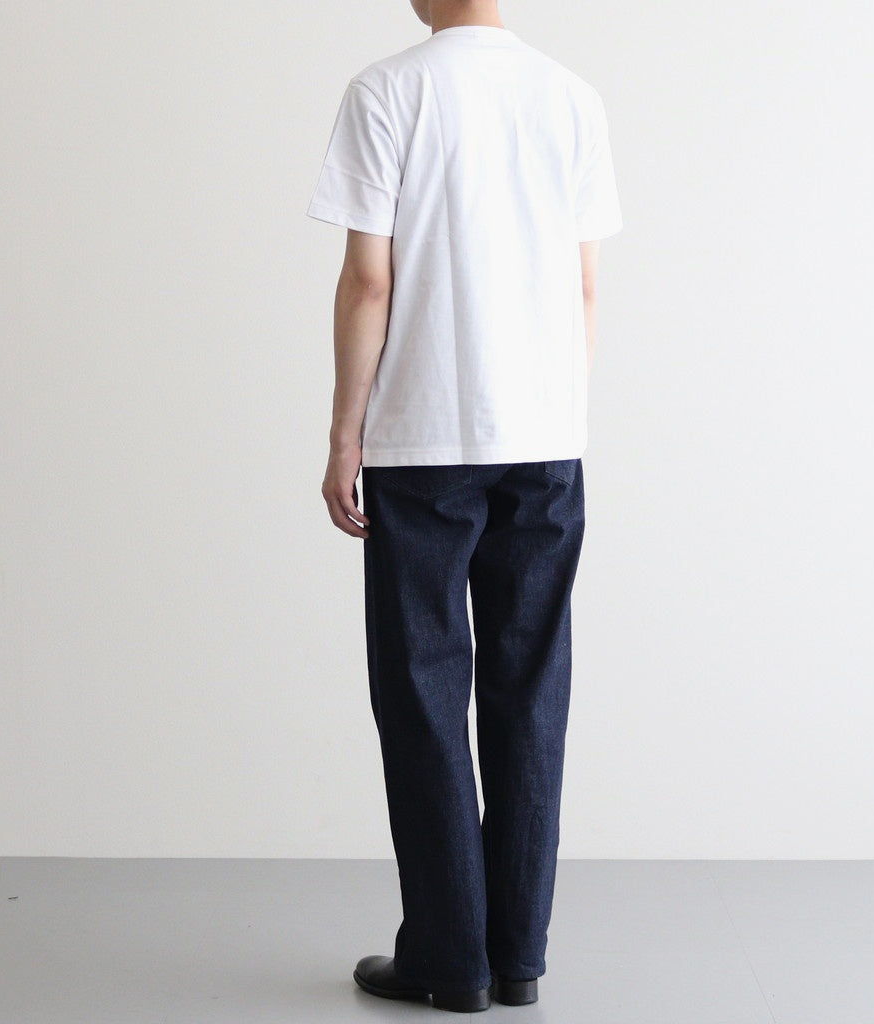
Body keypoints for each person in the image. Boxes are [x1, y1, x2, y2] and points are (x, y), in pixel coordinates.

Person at [306, 0, 622, 1013]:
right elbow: (583, 286)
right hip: (545, 440)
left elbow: (368, 283)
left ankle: (449, 961)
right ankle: (517, 956)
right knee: (532, 689)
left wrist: (345, 435)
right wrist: (553, 415)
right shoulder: (570, 97)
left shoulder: (388, 91)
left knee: (423, 692)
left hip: (424, 438)